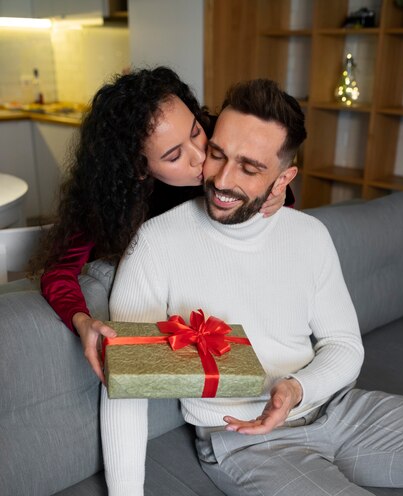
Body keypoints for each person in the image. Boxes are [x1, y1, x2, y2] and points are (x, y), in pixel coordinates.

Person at [97, 78, 403, 496]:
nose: (220, 179)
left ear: (283, 178)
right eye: (217, 154)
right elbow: (127, 381)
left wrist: (297, 388)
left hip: (337, 410)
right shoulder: (157, 244)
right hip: (248, 448)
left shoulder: (308, 235)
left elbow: (342, 345)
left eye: (249, 166)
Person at [31, 67, 292, 382]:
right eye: (173, 156)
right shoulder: (106, 198)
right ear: (140, 168)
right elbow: (59, 271)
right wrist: (82, 320)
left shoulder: (216, 141)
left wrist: (279, 194)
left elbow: (264, 172)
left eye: (196, 131)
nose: (200, 157)